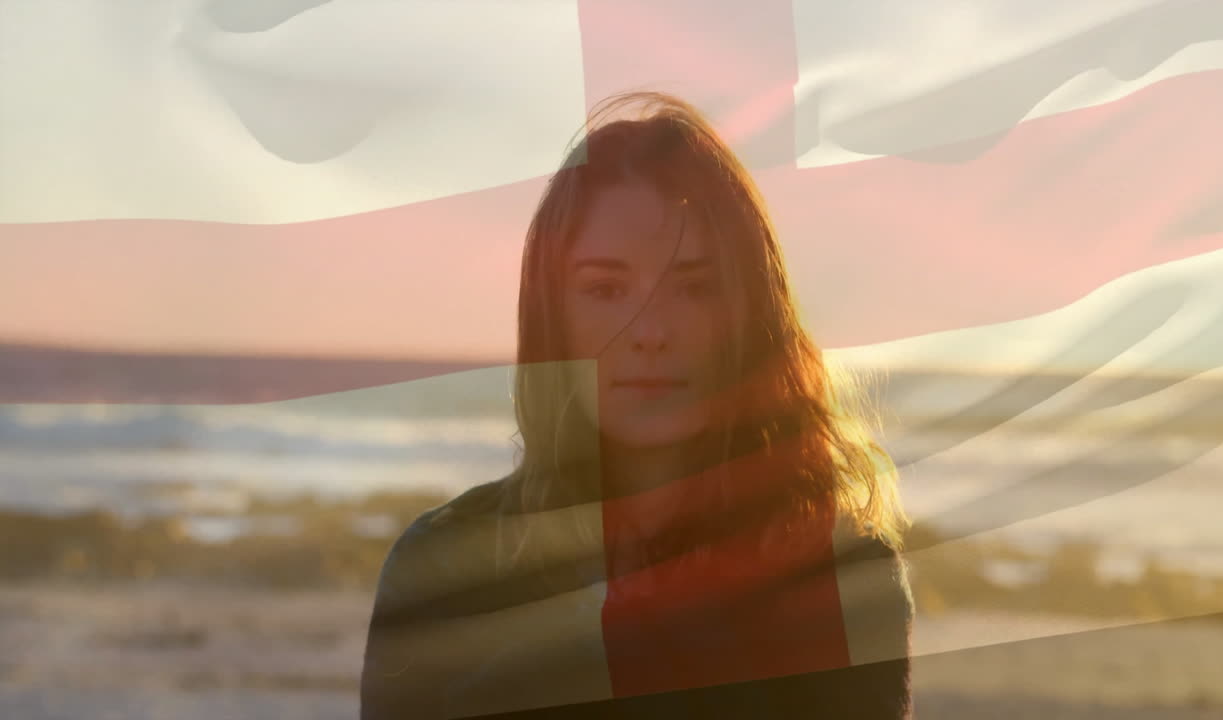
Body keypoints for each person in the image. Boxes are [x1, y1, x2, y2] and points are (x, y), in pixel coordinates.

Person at [361, 92, 914, 719]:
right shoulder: (442, 568)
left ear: (749, 315)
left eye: (694, 288)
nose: (649, 331)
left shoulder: (841, 579)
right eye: (606, 289)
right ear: (552, 319)